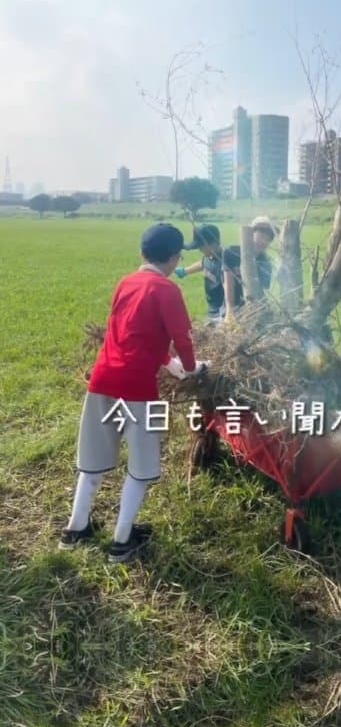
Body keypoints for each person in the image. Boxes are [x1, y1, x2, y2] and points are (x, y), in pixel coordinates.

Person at [59, 223, 206, 563]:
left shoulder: (126, 282)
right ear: (174, 258)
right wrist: (191, 367)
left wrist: (167, 363)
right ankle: (122, 542)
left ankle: (75, 529)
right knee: (141, 467)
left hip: (102, 381)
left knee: (93, 462)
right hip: (139, 391)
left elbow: (130, 334)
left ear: (142, 253)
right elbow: (182, 337)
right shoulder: (167, 290)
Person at [223, 215, 276, 319]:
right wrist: (230, 310)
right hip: (233, 307)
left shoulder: (266, 263)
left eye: (268, 239)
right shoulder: (231, 253)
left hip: (253, 312)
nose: (263, 241)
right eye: (261, 236)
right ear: (250, 234)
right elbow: (228, 283)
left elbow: (263, 292)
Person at [174, 224, 225, 322]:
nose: (199, 250)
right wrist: (185, 271)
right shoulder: (209, 256)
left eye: (201, 246)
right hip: (212, 309)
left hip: (223, 311)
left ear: (213, 244)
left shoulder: (225, 261)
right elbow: (203, 264)